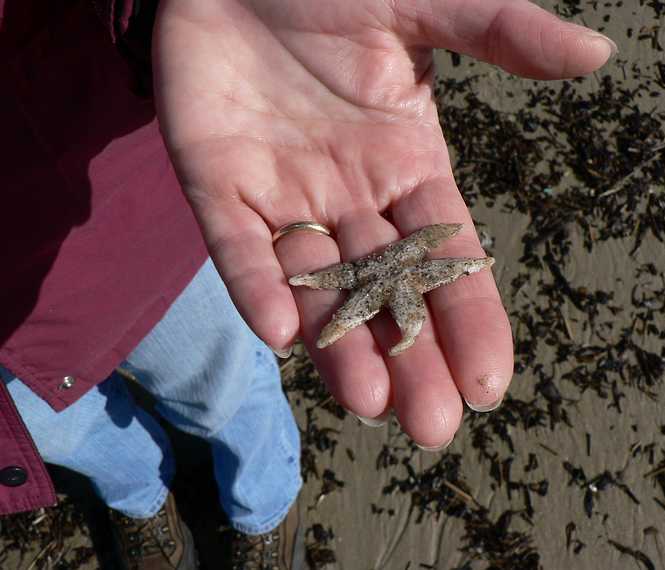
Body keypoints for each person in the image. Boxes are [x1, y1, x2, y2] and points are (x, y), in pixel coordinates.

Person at [0, 0, 615, 568]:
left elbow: (384, 272)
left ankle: (263, 508)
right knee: (71, 435)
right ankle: (138, 501)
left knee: (224, 387)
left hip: (109, 219)